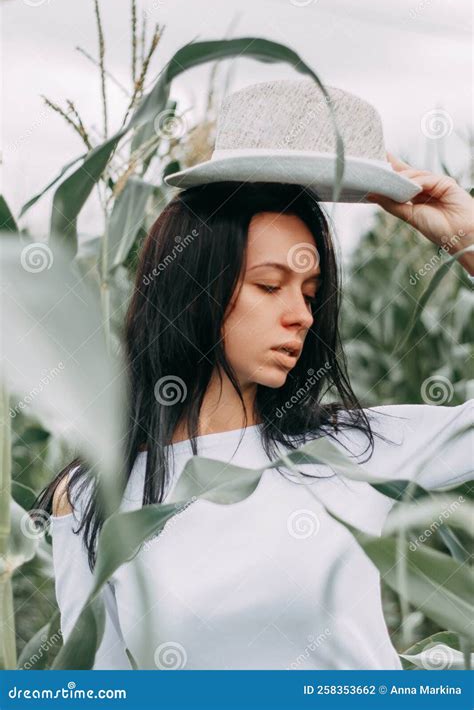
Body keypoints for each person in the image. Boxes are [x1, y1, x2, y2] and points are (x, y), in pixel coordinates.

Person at [37, 81, 474, 670]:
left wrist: (466, 240)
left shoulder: (349, 448)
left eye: (311, 293)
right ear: (195, 289)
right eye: (269, 287)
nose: (301, 314)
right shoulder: (93, 498)